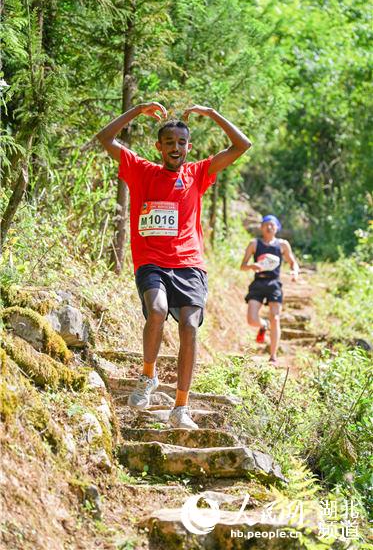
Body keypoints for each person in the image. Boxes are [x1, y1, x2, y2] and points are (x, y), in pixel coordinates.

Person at [97, 101, 251, 429]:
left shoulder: (197, 173)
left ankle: (181, 406)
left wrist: (211, 115)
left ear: (188, 147)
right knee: (156, 310)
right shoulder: (141, 170)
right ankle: (148, 377)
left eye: (182, 143)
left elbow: (242, 145)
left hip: (189, 265)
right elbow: (105, 139)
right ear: (159, 147)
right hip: (151, 262)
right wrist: (137, 110)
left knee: (189, 327)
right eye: (169, 143)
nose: (176, 148)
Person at [240, 214, 299, 364]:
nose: (269, 226)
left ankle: (273, 356)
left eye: (273, 224)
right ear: (261, 227)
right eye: (266, 224)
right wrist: (251, 266)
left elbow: (293, 262)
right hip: (258, 283)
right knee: (251, 320)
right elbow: (243, 266)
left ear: (277, 228)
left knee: (276, 318)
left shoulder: (282, 245)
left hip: (274, 284)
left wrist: (295, 272)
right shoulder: (254, 244)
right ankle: (263, 325)